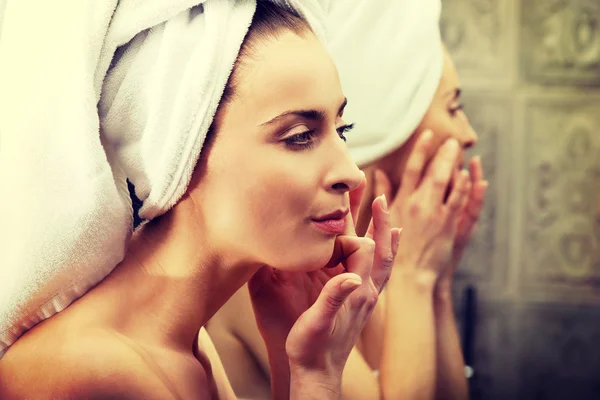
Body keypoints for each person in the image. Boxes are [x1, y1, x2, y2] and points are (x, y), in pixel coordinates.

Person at [0, 3, 409, 399]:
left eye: (343, 129)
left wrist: (305, 364)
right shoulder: (82, 373)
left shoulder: (186, 349)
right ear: (181, 152)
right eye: (300, 136)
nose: (351, 173)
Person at [206, 36, 487, 400]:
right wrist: (415, 276)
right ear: (396, 121)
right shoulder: (278, 259)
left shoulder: (352, 249)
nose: (468, 135)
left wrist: (438, 281)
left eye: (342, 131)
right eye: (452, 108)